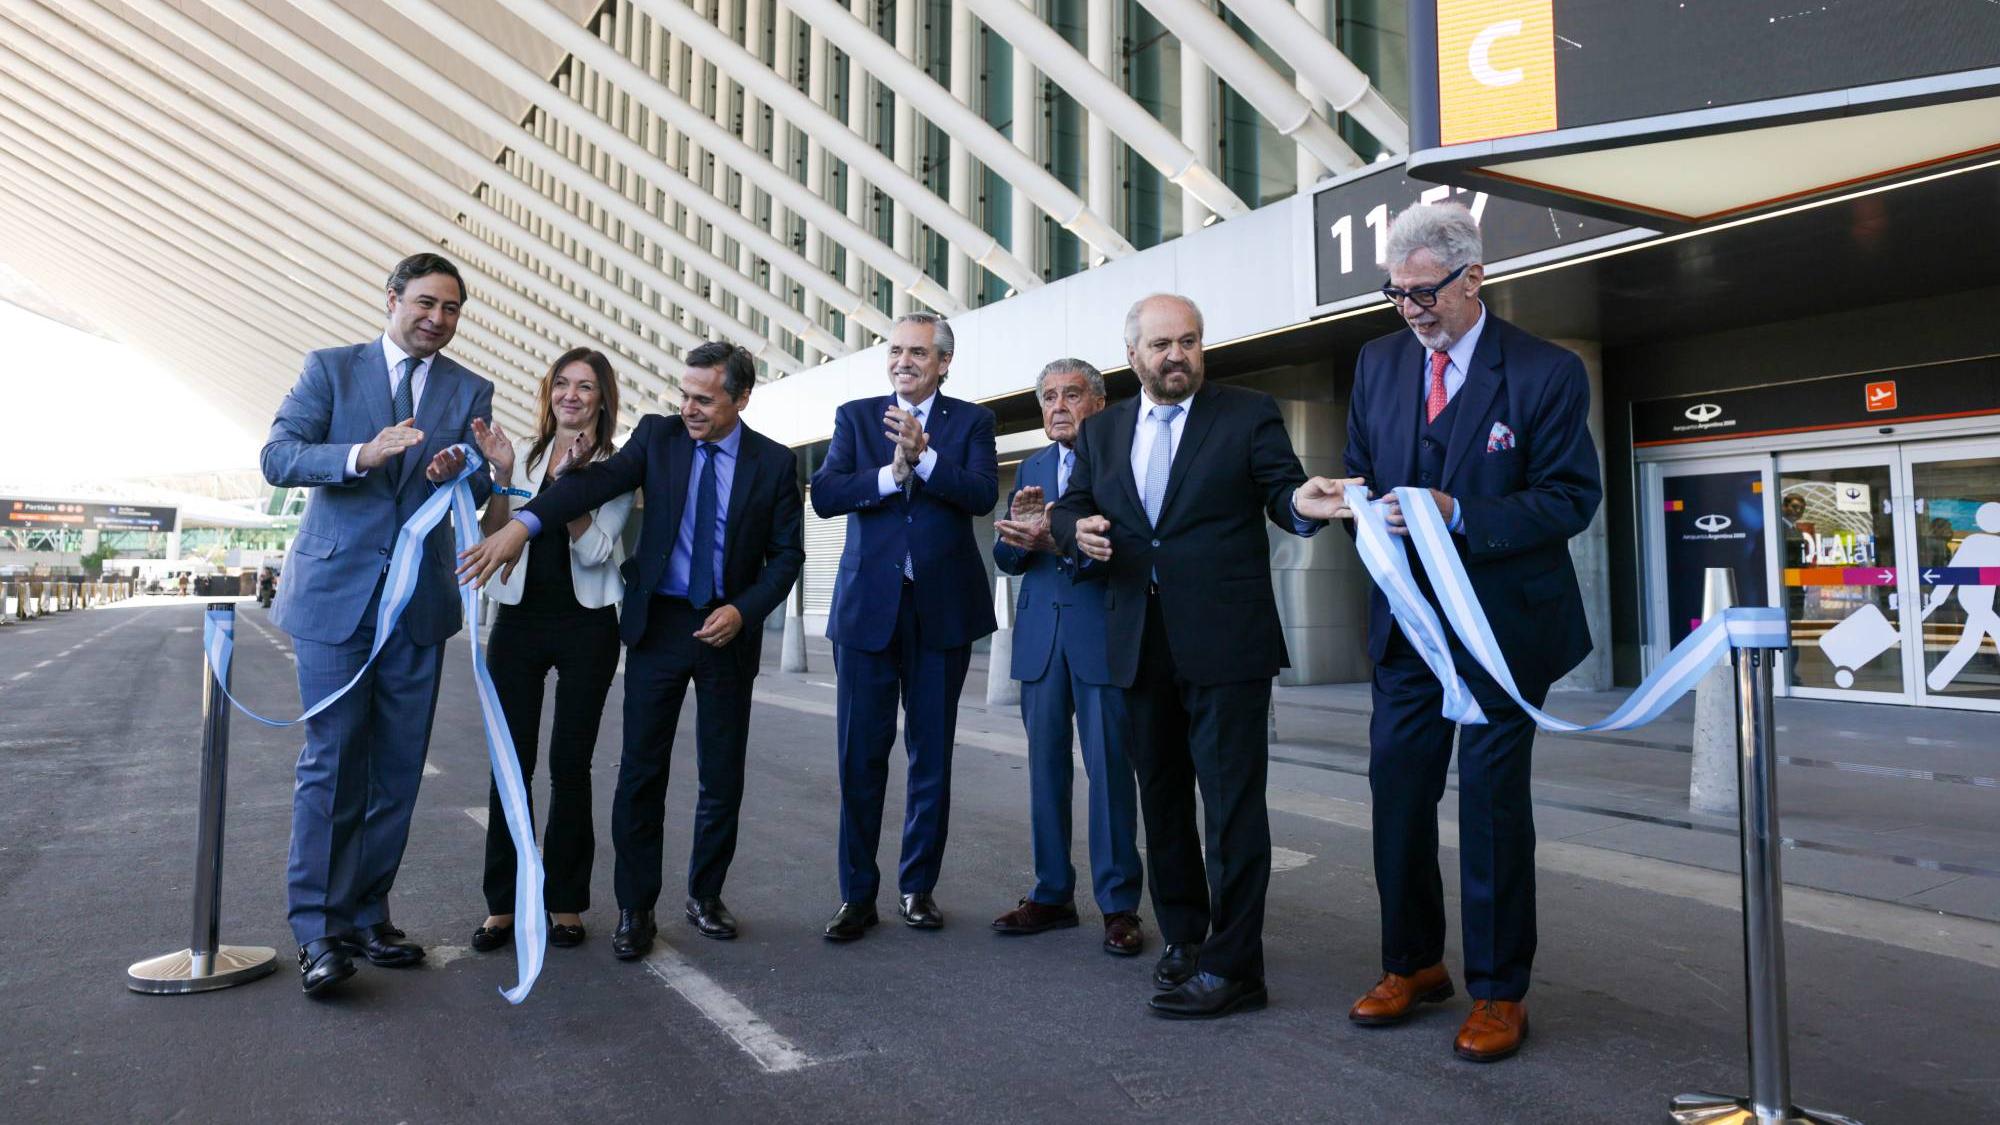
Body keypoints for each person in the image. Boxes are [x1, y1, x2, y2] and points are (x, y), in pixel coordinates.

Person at [1336, 202, 1601, 1062]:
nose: (1410, 310)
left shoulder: (1547, 372)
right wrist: (1354, 511)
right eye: (1395, 294)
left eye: (1425, 292)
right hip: (1407, 626)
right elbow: (1363, 480)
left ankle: (1498, 988)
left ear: (1474, 276)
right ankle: (1413, 964)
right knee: (1398, 793)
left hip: (1503, 633)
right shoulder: (1377, 363)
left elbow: (1570, 497)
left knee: (1491, 807)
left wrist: (1460, 515)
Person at [1048, 294, 1350, 1019]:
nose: (1175, 355)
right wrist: (1073, 530)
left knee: (1233, 809)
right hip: (1139, 642)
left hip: (1227, 642)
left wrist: (1305, 505)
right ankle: (1185, 937)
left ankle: (1237, 963)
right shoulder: (1104, 430)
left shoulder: (1247, 414)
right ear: (1134, 357)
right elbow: (1070, 506)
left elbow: (1282, 490)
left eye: (1188, 341)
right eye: (1160, 344)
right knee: (1163, 801)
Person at [459, 343, 803, 957]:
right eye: (684, 394)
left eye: (704, 398)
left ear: (741, 399)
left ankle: (705, 895)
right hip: (660, 626)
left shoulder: (773, 463)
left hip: (727, 625)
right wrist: (520, 524)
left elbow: (788, 558)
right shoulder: (658, 438)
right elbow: (592, 486)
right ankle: (634, 909)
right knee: (641, 771)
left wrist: (744, 610)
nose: (688, 408)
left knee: (721, 774)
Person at [260, 252, 495, 996]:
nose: (438, 319)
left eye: (451, 309)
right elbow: (278, 455)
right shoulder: (330, 369)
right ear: (391, 299)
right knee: (332, 762)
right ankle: (317, 931)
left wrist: (468, 465)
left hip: (419, 604)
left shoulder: (469, 387)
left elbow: (479, 483)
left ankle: (368, 913)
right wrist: (364, 453)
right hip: (337, 599)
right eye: (426, 303)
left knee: (395, 768)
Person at [810, 312, 997, 941]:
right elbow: (828, 494)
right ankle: (856, 895)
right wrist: (893, 473)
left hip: (942, 610)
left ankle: (917, 888)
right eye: (895, 351)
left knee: (931, 758)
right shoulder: (856, 417)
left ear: (944, 362)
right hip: (868, 611)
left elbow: (979, 495)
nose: (903, 362)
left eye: (918, 353)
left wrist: (927, 456)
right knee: (859, 757)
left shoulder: (972, 421)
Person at [463, 348, 633, 954]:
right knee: (511, 763)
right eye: (562, 384)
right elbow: (494, 535)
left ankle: (565, 902)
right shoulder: (526, 457)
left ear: (602, 399)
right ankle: (501, 905)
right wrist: (507, 475)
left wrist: (570, 493)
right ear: (549, 392)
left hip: (587, 626)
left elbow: (596, 552)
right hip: (519, 621)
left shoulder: (616, 466)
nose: (572, 395)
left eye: (586, 387)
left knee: (569, 767)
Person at [990, 359, 1145, 956]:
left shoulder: (1123, 456)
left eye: (1071, 395)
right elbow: (1009, 561)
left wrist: (1054, 536)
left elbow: (1125, 546)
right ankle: (1051, 893)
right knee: (1045, 772)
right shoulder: (1030, 467)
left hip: (1101, 636)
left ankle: (1118, 905)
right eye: (1049, 396)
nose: (1058, 406)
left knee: (1110, 772)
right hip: (1039, 641)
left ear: (1098, 403)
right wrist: (1020, 538)